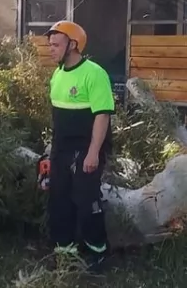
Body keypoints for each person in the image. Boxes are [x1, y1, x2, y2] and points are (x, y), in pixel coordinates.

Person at [44, 20, 115, 273]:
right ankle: (65, 252)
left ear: (73, 45)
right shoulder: (58, 74)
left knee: (86, 201)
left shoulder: (94, 73)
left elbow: (102, 116)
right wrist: (49, 153)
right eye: (50, 45)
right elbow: (58, 119)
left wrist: (93, 153)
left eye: (56, 45)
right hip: (61, 149)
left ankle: (99, 251)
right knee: (59, 201)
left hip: (87, 148)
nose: (50, 49)